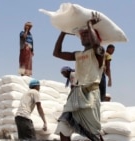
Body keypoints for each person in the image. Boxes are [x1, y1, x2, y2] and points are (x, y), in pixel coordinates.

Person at [53, 12, 104, 141]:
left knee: (94, 134)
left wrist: (89, 24)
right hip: (75, 95)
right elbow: (56, 53)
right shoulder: (78, 54)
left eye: (87, 33)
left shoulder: (99, 52)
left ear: (94, 36)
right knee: (63, 126)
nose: (84, 36)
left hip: (90, 95)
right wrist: (63, 33)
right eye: (82, 34)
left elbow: (97, 45)